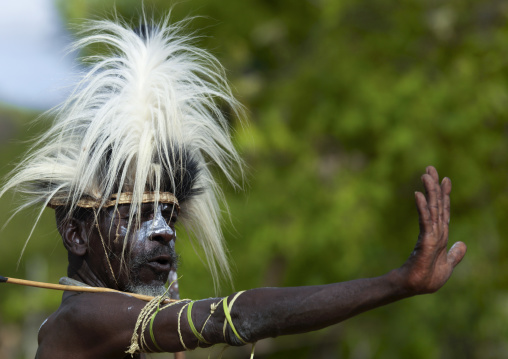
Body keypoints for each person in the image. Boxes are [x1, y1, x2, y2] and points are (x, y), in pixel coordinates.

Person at [0, 16, 466, 359]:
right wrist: (393, 284)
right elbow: (238, 317)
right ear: (76, 233)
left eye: (167, 214)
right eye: (136, 213)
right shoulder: (83, 321)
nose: (164, 231)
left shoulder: (119, 333)